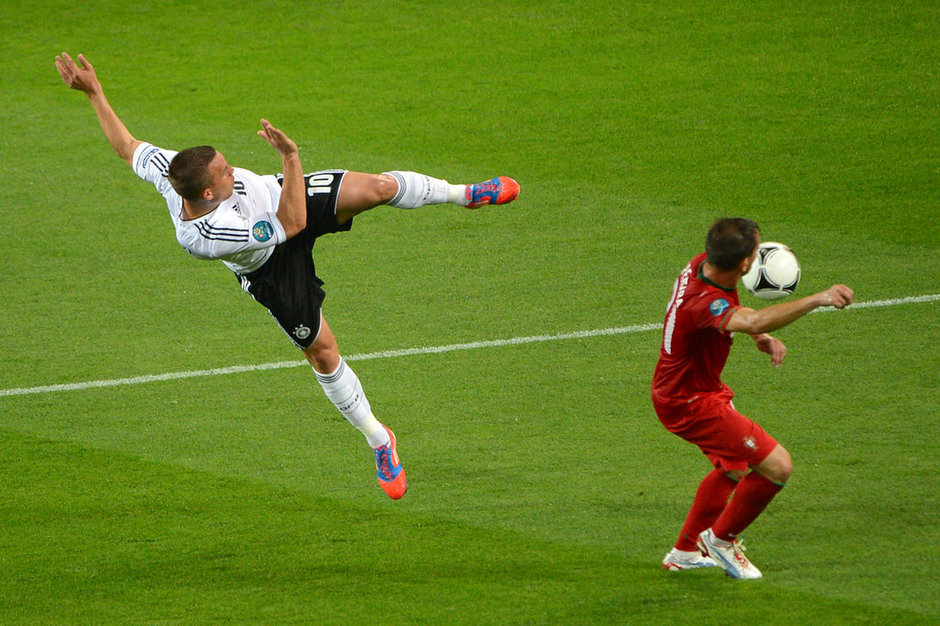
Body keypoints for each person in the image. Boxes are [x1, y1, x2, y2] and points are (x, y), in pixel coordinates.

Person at [55, 52, 520, 501]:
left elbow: (127, 147)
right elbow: (291, 225)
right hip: (272, 262)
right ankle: (379, 439)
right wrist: (291, 157)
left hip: (283, 197)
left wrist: (94, 92)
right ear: (209, 191)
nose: (233, 167)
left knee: (380, 187)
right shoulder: (207, 233)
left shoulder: (172, 171)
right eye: (225, 170)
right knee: (322, 351)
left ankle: (466, 194)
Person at [652, 217, 853, 579]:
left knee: (733, 466)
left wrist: (751, 335)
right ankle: (720, 540)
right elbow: (751, 319)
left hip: (686, 388)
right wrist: (818, 299)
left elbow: (736, 319)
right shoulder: (704, 302)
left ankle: (683, 552)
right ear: (745, 264)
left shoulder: (704, 264)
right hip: (691, 402)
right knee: (778, 466)